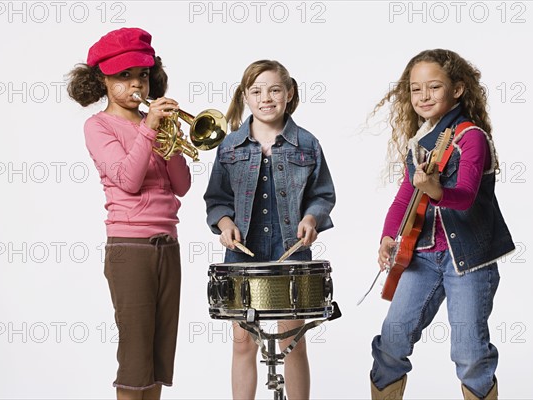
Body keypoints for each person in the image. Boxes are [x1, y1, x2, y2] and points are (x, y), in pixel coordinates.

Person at [370, 49, 515, 400]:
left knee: (469, 354)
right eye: (416, 89)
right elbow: (405, 197)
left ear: (458, 89)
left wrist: (434, 189)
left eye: (433, 87)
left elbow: (464, 197)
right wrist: (388, 237)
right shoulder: (420, 143)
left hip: (469, 262)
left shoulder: (471, 138)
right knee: (391, 341)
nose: (423, 96)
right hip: (421, 256)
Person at [67, 27, 191, 400]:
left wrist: (169, 137)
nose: (136, 82)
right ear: (101, 80)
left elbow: (181, 185)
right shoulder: (99, 126)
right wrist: (150, 129)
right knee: (135, 359)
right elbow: (128, 180)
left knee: (157, 359)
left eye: (141, 74)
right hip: (130, 248)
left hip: (167, 245)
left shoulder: (154, 125)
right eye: (124, 76)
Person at [204, 60, 336, 400]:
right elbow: (216, 199)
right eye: (257, 91)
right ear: (245, 97)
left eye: (275, 89)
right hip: (241, 255)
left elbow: (323, 195)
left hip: (290, 251)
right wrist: (225, 223)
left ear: (289, 94)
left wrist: (312, 219)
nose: (267, 98)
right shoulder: (229, 145)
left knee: (293, 342)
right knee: (243, 342)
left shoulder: (307, 143)